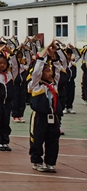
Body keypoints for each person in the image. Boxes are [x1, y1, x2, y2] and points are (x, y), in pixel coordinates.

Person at [28, 40, 64, 173]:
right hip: (39, 117)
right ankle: (37, 161)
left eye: (50, 71)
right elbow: (37, 70)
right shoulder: (35, 85)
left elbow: (59, 69)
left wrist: (54, 54)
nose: (50, 73)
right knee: (37, 139)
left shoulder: (54, 85)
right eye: (47, 71)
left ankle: (50, 162)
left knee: (53, 140)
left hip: (53, 116)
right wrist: (43, 53)